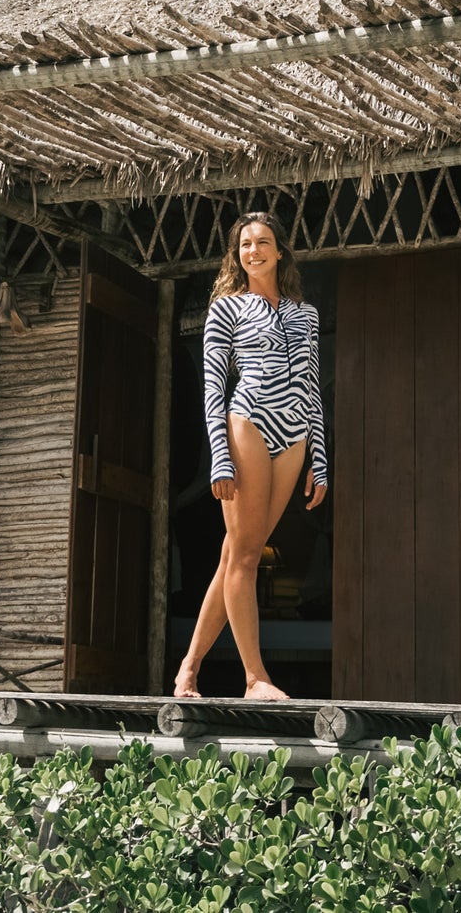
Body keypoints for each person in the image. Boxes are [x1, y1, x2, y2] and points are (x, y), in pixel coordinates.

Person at [174, 210, 328, 701]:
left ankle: (188, 668)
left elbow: (313, 387)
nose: (254, 250)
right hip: (249, 426)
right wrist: (219, 454)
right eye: (245, 244)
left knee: (232, 557)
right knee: (244, 554)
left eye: (263, 241)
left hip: (296, 434)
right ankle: (254, 678)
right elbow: (213, 385)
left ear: (280, 251)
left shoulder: (306, 314)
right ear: (236, 255)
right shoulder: (226, 308)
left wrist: (319, 457)